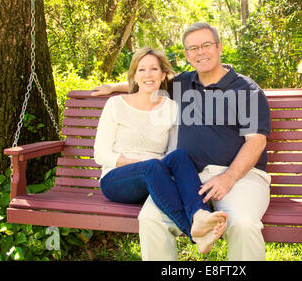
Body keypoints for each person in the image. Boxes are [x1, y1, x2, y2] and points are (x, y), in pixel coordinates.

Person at [92, 22, 271, 261]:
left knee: (244, 224)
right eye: (193, 48)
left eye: (206, 45)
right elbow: (148, 82)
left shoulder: (246, 89)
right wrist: (115, 86)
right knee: (151, 219)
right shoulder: (183, 84)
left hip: (240, 177)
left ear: (219, 47)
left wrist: (229, 177)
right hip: (186, 178)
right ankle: (196, 226)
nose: (200, 52)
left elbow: (256, 141)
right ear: (187, 55)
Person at [94, 46, 229, 255]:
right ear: (134, 75)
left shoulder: (170, 107)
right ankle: (194, 232)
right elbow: (101, 154)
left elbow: (172, 151)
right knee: (152, 166)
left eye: (154, 69)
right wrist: (143, 165)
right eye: (142, 69)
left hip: (155, 177)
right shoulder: (116, 104)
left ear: (163, 74)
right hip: (116, 180)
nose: (148, 74)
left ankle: (200, 214)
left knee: (180, 156)